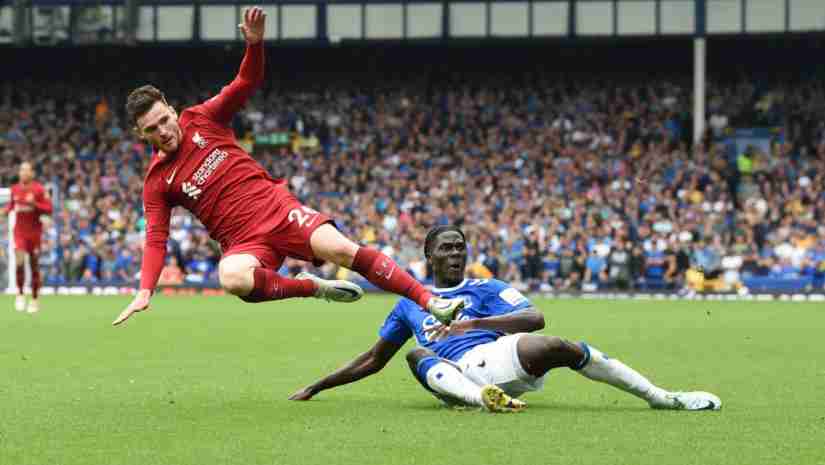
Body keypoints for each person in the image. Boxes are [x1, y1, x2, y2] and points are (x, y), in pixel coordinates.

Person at [113, 7, 463, 326]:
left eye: (163, 120)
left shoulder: (202, 119)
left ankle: (430, 302)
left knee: (342, 249)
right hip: (243, 241)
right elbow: (156, 240)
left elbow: (245, 83)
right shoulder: (157, 181)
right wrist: (145, 290)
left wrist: (255, 45)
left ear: (172, 111)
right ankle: (311, 287)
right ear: (140, 135)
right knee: (232, 277)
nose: (162, 131)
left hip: (278, 209)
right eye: (151, 129)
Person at [289, 226, 722, 412]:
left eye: (460, 247)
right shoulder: (408, 301)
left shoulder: (486, 289)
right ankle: (485, 401)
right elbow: (373, 359)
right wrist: (318, 385)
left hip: (491, 358)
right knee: (415, 353)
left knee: (557, 345)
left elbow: (534, 316)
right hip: (450, 375)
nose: (456, 254)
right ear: (428, 256)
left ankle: (659, 396)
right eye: (447, 248)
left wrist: (471, 326)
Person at [1, 162, 53, 313]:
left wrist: (35, 204)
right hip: (19, 232)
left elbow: (49, 208)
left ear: (32, 173)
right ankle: (20, 294)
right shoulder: (14, 189)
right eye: (21, 169)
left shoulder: (39, 189)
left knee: (34, 265)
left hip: (35, 233)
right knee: (19, 261)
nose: (23, 172)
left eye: (26, 170)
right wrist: (3, 212)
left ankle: (35, 299)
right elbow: (11, 206)